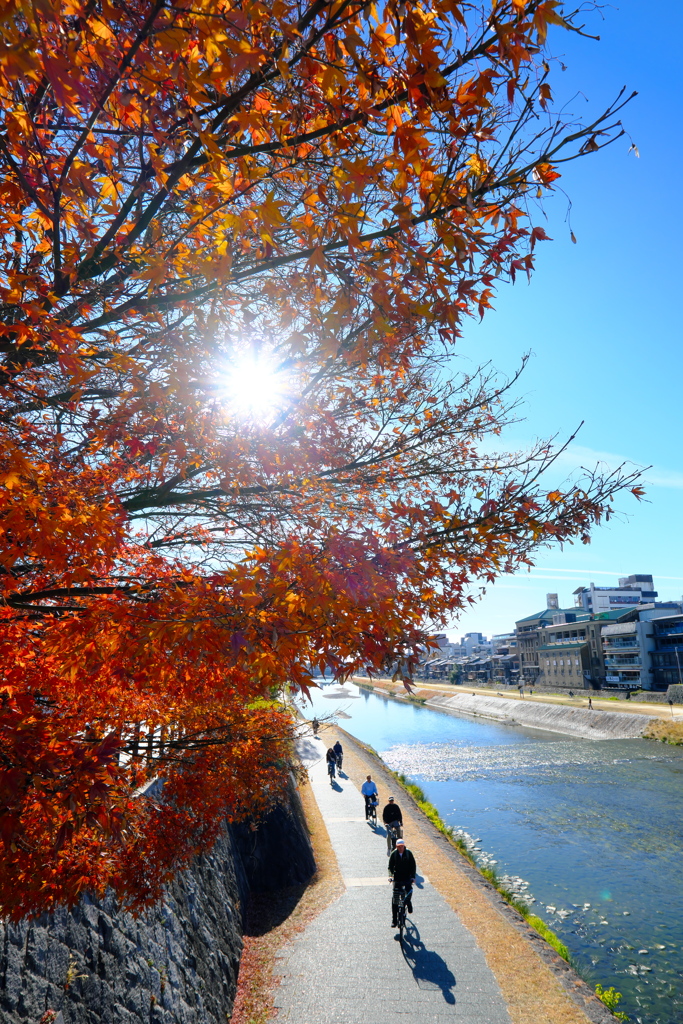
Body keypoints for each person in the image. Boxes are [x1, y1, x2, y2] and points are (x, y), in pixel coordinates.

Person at [388, 837, 416, 926]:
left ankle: (408, 902)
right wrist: (391, 876)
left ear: (404, 846)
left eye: (402, 846)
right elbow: (390, 867)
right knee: (395, 899)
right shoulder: (394, 854)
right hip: (397, 878)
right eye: (399, 846)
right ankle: (394, 920)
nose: (400, 848)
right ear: (396, 846)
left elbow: (413, 866)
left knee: (409, 892)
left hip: (407, 877)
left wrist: (413, 877)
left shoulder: (408, 853)